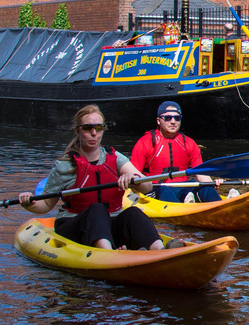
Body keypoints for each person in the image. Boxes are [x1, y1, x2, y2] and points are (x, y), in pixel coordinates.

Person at [17, 105, 177, 250]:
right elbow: (45, 204)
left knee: (133, 213)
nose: (94, 133)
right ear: (78, 130)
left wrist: (133, 179)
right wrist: (29, 202)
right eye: (88, 128)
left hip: (110, 224)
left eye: (99, 128)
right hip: (75, 225)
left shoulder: (115, 158)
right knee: (98, 209)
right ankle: (108, 253)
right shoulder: (65, 165)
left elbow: (147, 186)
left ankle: (159, 251)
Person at [130, 101, 227, 203]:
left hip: (183, 186)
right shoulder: (144, 143)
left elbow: (201, 174)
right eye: (167, 118)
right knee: (166, 190)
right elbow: (134, 175)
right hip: (157, 188)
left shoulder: (188, 143)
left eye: (177, 118)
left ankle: (222, 207)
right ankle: (184, 207)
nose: (173, 122)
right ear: (158, 121)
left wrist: (210, 183)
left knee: (206, 188)